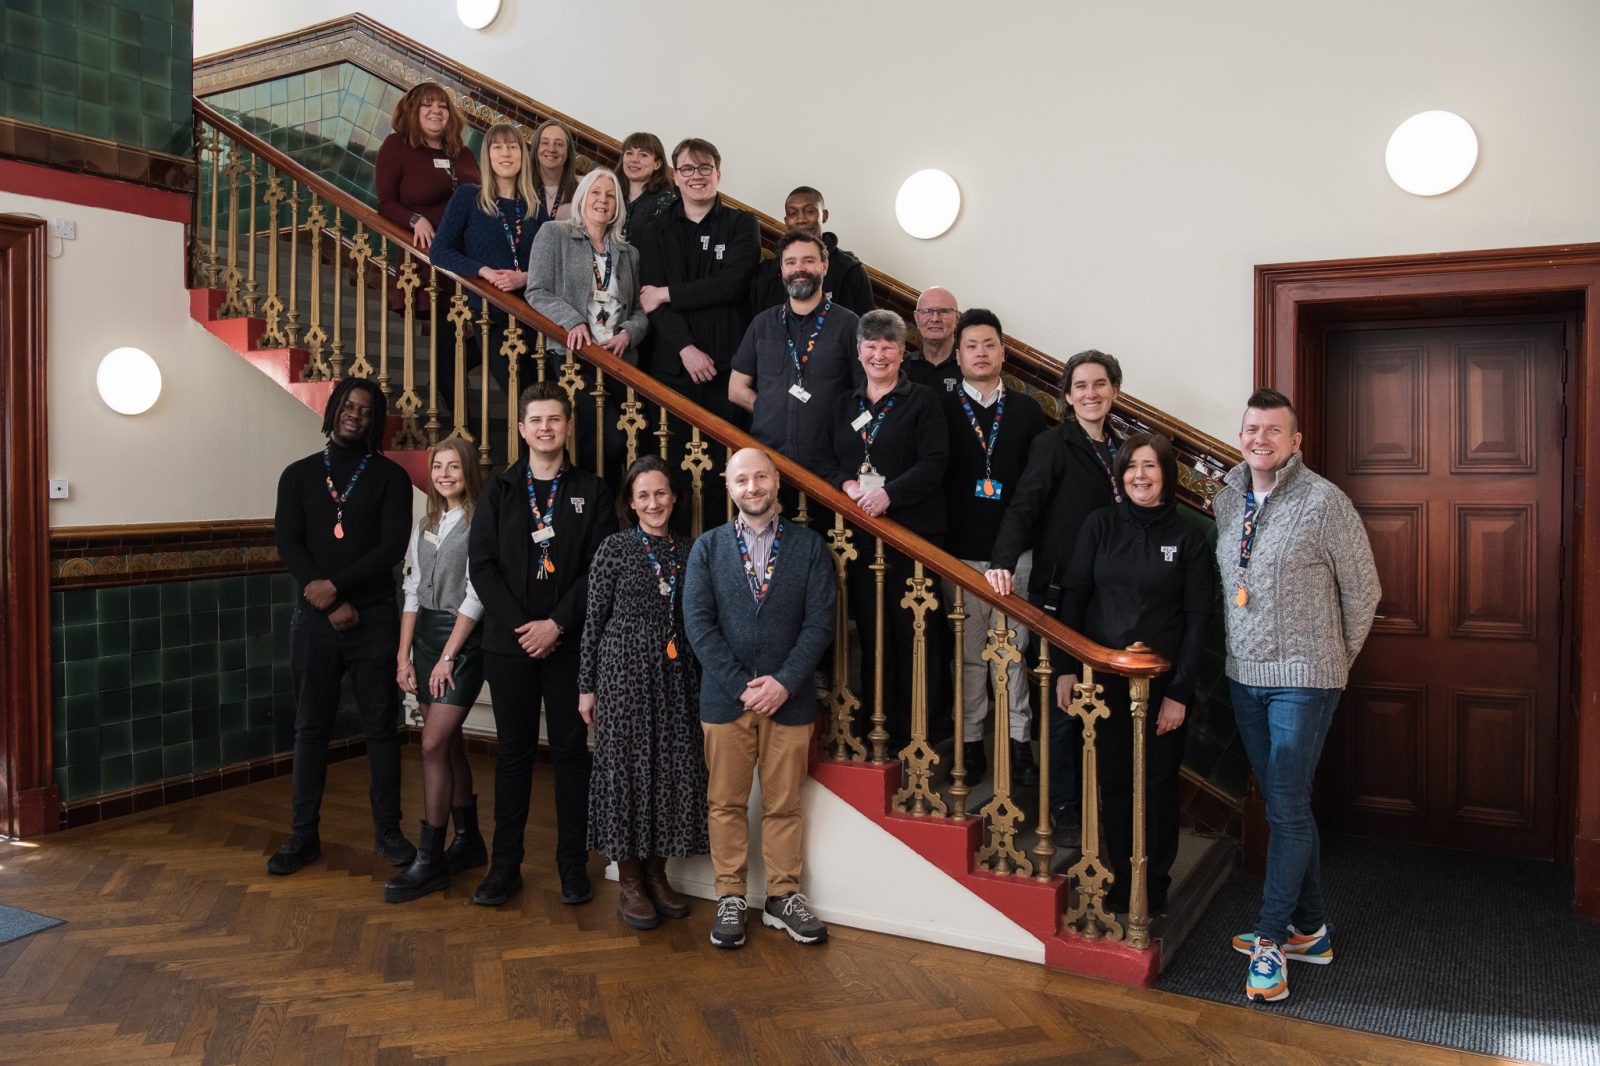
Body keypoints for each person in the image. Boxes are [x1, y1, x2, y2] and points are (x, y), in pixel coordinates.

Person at [1215, 388, 1379, 1004]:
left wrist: (1329, 661)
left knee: (1284, 805)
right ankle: (1310, 928)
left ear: (1295, 441)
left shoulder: (1323, 501)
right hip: (1243, 675)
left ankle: (1268, 939)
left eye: (1273, 431)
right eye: (1251, 429)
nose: (1260, 439)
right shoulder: (1228, 497)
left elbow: (1364, 591)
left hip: (1305, 679)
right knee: (1284, 804)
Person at [468, 382, 618, 907]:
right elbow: (482, 567)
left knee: (573, 756)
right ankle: (503, 868)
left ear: (568, 427)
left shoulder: (593, 491)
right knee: (513, 755)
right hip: (510, 648)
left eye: (556, 419)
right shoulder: (500, 488)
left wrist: (554, 624)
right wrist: (523, 628)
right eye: (537, 420)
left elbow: (598, 570)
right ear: (521, 428)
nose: (546, 428)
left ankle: (571, 867)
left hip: (571, 645)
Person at [1052, 432, 1213, 916]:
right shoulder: (1099, 525)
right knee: (1115, 781)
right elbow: (1074, 596)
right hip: (1103, 684)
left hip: (1163, 688)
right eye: (1131, 467)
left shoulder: (1188, 538)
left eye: (1150, 466)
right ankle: (1120, 877)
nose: (1139, 475)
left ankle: (1154, 879)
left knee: (1159, 782)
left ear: (1167, 474)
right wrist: (1065, 669)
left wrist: (1180, 693)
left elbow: (1199, 619)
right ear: (1120, 476)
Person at [682, 448, 835, 949]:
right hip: (725, 702)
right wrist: (740, 685)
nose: (752, 487)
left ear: (776, 482)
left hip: (788, 702)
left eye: (761, 477)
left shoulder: (810, 548)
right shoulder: (707, 548)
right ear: (729, 486)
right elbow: (698, 625)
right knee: (724, 803)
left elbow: (819, 624)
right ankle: (729, 895)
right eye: (742, 479)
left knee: (784, 806)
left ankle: (781, 896)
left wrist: (783, 683)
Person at [268, 378, 414, 876]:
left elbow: (392, 547)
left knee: (381, 731)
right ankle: (302, 836)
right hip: (315, 623)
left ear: (376, 420)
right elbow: (289, 541)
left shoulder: (390, 478)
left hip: (374, 621)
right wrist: (326, 598)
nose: (356, 415)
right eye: (348, 406)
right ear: (332, 411)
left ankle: (388, 833)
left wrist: (339, 588)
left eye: (366, 410)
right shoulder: (298, 474)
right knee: (310, 730)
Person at [986, 349, 1127, 840]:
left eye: (1100, 384)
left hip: (1112, 596)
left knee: (1103, 701)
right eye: (1081, 385)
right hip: (1061, 592)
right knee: (1063, 704)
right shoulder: (1052, 443)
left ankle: (1101, 796)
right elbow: (1023, 506)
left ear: (1114, 391)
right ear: (1067, 396)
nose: (1091, 393)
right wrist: (1002, 561)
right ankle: (1063, 799)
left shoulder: (1124, 448)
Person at [577, 456, 707, 930]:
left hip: (676, 678)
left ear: (674, 498)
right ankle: (630, 880)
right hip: (622, 674)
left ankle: (657, 875)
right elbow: (593, 622)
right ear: (631, 504)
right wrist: (586, 688)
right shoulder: (614, 548)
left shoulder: (692, 551)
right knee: (627, 774)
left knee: (672, 773)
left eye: (661, 493)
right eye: (643, 495)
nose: (653, 503)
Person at [818, 310, 949, 754]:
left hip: (910, 538)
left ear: (901, 352)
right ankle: (879, 725)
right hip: (859, 541)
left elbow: (934, 463)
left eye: (888, 346)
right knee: (874, 635)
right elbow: (824, 460)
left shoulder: (923, 400)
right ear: (859, 352)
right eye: (871, 346)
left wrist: (889, 494)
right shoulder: (843, 404)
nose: (879, 354)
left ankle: (918, 732)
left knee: (915, 635)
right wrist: (848, 484)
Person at [939, 309, 1048, 785]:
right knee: (968, 652)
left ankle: (1018, 742)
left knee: (1013, 652)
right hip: (956, 554)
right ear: (957, 354)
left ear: (1003, 352)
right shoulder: (937, 407)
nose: (980, 353)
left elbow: (1037, 488)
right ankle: (969, 742)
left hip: (1015, 555)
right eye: (971, 346)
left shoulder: (1026, 411)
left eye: (989, 345)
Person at [386, 438, 488, 903]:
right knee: (447, 747)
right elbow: (411, 588)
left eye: (454, 466)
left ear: (469, 470)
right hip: (424, 636)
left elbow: (477, 594)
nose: (445, 474)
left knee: (430, 744)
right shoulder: (425, 522)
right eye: (438, 466)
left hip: (460, 641)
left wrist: (448, 656)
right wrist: (404, 655)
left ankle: (429, 858)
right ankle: (468, 842)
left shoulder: (479, 521)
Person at [635, 137, 761, 427]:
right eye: (687, 169)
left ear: (718, 174)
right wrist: (686, 349)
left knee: (725, 464)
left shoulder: (743, 224)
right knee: (671, 458)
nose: (697, 176)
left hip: (729, 368)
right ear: (675, 176)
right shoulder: (656, 230)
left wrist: (666, 293)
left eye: (705, 168)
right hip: (672, 365)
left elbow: (731, 285)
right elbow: (649, 301)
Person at [729, 229, 863, 473]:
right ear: (781, 270)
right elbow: (736, 390)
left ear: (824, 266)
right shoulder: (762, 324)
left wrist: (840, 427)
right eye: (790, 262)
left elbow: (867, 394)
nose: (799, 269)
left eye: (808, 260)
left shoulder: (850, 325)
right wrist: (770, 409)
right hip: (768, 464)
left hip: (828, 467)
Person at [429, 122, 540, 401]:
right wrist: (482, 270)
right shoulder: (469, 196)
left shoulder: (533, 206)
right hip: (489, 312)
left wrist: (524, 277)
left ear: (522, 156)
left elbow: (550, 263)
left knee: (539, 393)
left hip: (533, 314)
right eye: (498, 147)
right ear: (487, 156)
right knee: (522, 395)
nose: (506, 153)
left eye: (513, 147)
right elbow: (438, 251)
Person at [375, 82, 481, 255]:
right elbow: (386, 204)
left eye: (443, 106)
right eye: (427, 104)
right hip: (423, 255)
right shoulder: (397, 145)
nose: (436, 110)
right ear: (412, 111)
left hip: (469, 256)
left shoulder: (464, 153)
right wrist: (415, 219)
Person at [749, 187, 874, 316]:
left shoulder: (849, 269)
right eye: (792, 213)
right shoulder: (766, 272)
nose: (801, 219)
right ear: (786, 221)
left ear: (824, 216)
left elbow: (870, 329)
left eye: (810, 211)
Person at [618, 131, 678, 242]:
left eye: (643, 155)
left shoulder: (666, 200)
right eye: (629, 153)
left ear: (657, 164)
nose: (634, 159)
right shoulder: (612, 190)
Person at [904, 286, 962, 394]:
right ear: (916, 318)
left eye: (943, 311)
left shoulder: (971, 367)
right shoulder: (901, 368)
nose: (935, 319)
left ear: (957, 318)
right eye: (927, 311)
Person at [531, 118, 577, 223]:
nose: (551, 149)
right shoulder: (520, 185)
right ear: (536, 148)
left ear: (568, 151)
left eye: (559, 144)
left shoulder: (584, 189)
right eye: (545, 143)